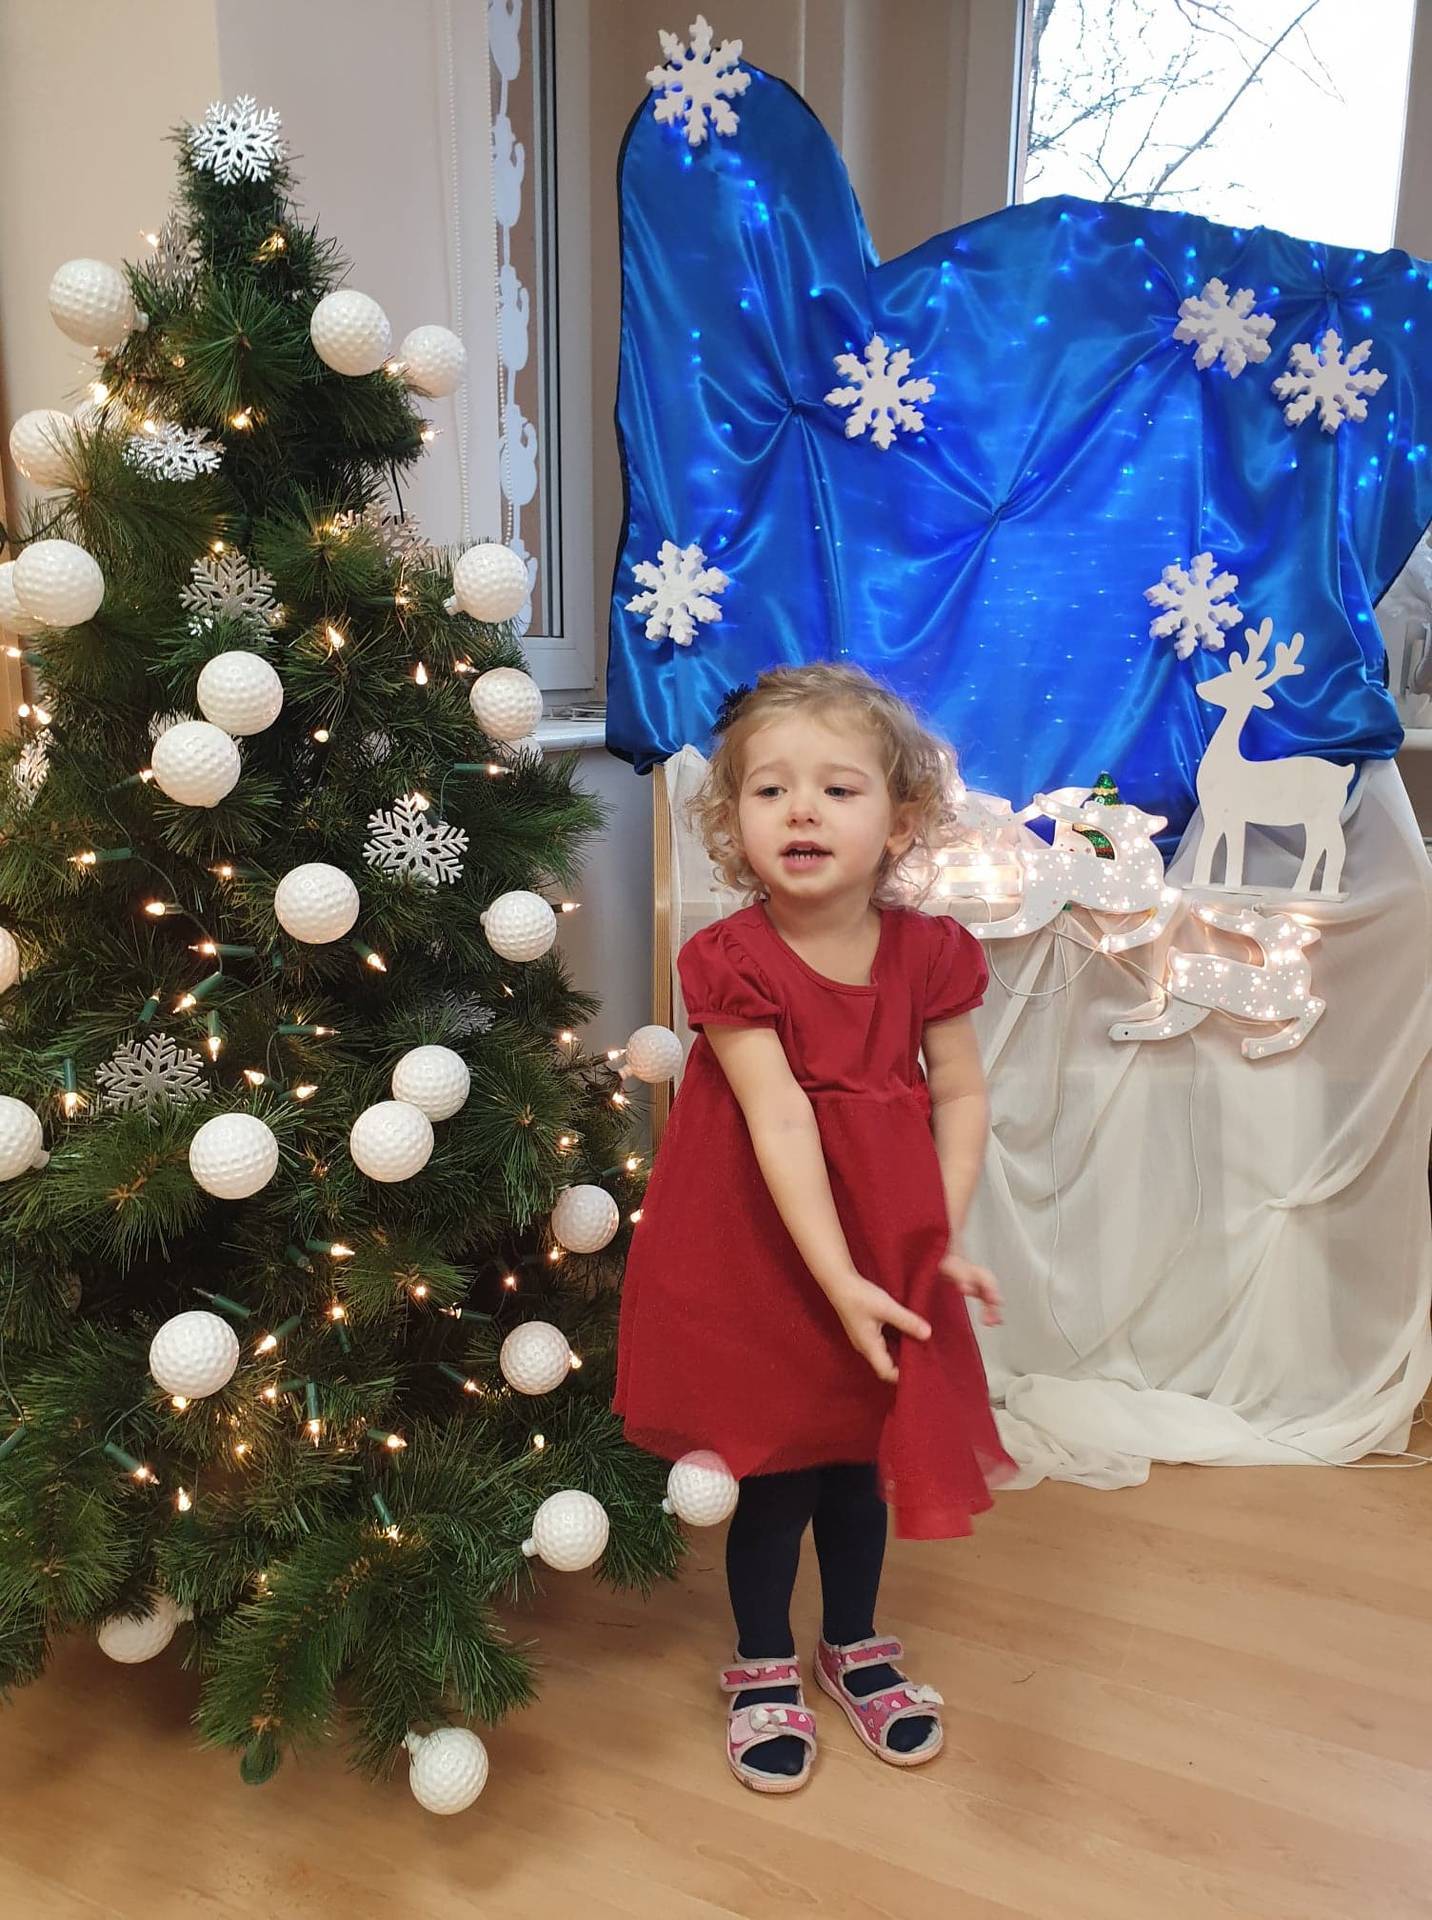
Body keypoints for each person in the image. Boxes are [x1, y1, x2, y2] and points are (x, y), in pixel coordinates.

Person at [615, 662, 1014, 1794]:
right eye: (770, 789)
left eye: (838, 789)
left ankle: (852, 1643)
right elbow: (782, 1118)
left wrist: (934, 1242)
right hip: (765, 1252)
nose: (801, 811)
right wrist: (836, 1278)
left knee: (856, 1463)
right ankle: (760, 1661)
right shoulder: (730, 960)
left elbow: (960, 1095)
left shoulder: (930, 954)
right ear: (734, 821)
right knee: (780, 1472)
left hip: (881, 1245)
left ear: (901, 823)